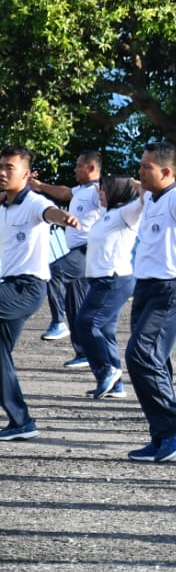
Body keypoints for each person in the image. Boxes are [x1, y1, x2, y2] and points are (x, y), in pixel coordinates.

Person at [125, 140, 176, 462]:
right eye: (141, 165)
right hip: (147, 287)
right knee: (153, 361)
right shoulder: (152, 197)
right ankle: (162, 436)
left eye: (147, 167)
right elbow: (138, 187)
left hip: (172, 288)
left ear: (167, 172)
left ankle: (175, 426)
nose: (141, 171)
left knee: (141, 354)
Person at [0, 147, 83, 441]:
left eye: (9, 168)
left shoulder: (35, 202)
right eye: (1, 167)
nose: (2, 172)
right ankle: (21, 422)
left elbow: (49, 212)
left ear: (26, 174)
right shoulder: (3, 205)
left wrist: (64, 217)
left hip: (26, 287)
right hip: (8, 286)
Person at [30, 150, 103, 365]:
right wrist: (40, 186)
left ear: (91, 168)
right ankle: (83, 353)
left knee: (54, 272)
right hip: (77, 251)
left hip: (89, 249)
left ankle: (58, 322)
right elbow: (63, 192)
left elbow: (114, 200)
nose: (74, 169)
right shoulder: (80, 190)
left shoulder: (98, 190)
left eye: (79, 165)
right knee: (76, 304)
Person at [79, 175, 142, 399]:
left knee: (86, 324)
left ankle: (106, 371)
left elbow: (146, 199)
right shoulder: (107, 214)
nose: (100, 193)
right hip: (101, 279)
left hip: (113, 279)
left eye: (105, 189)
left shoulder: (126, 213)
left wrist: (136, 184)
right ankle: (116, 386)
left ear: (117, 192)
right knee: (105, 331)